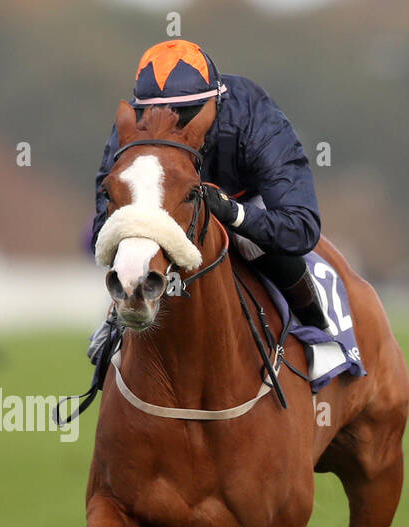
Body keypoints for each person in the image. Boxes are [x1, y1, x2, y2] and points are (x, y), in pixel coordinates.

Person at [87, 39, 329, 362]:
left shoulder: (255, 117)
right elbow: (105, 222)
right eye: (154, 114)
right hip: (170, 214)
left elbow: (301, 228)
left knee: (252, 244)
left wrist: (234, 212)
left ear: (215, 102)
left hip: (244, 201)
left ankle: (317, 329)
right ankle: (115, 327)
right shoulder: (134, 130)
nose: (167, 126)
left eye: (184, 115)